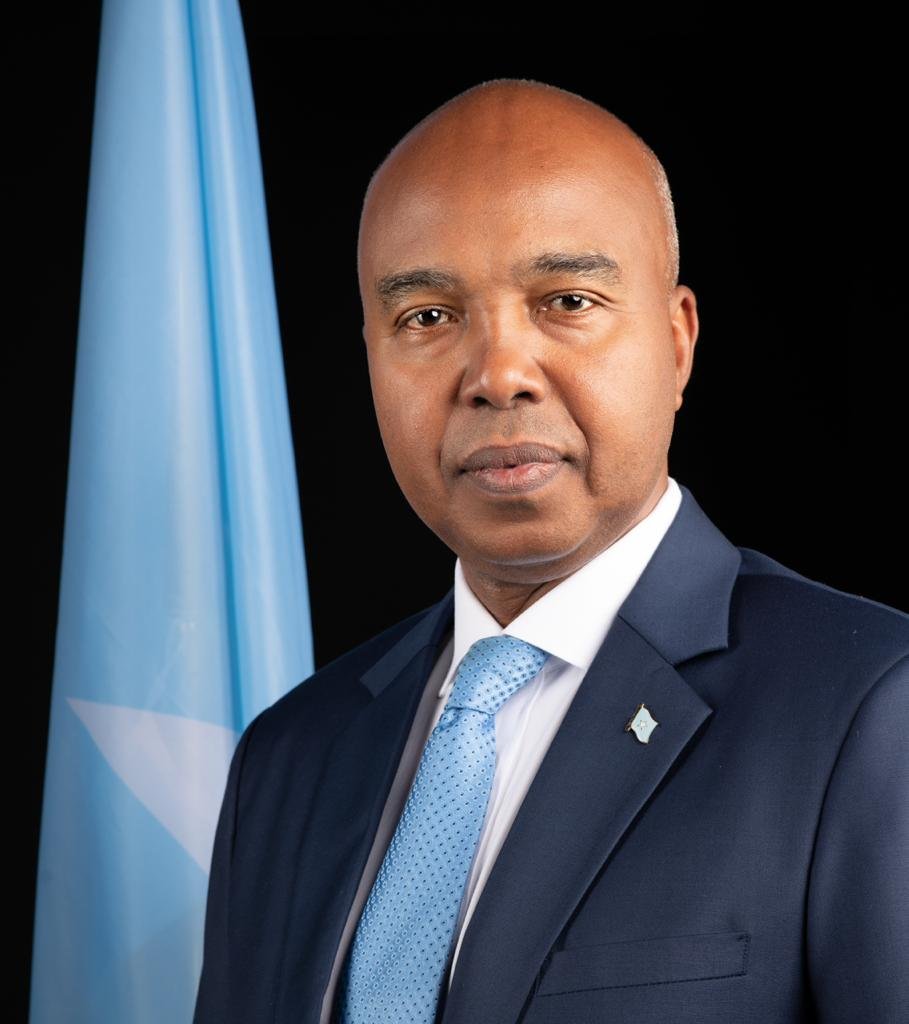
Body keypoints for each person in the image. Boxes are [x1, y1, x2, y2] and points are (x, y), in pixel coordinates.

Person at [193, 78, 909, 1024]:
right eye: (427, 317)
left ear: (677, 342)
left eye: (566, 299)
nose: (497, 375)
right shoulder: (289, 755)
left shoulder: (871, 707)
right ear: (369, 354)